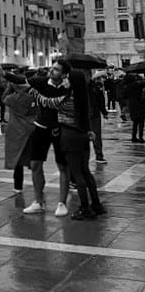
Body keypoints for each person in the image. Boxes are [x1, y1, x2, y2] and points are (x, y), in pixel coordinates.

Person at [37, 60, 105, 220]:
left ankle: (85, 208)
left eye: (67, 78)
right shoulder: (83, 97)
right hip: (83, 136)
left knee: (77, 174)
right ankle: (96, 204)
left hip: (69, 136)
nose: (65, 80)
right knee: (86, 171)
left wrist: (33, 92)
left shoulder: (67, 98)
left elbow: (47, 102)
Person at [24, 65, 71, 217]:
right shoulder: (41, 81)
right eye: (52, 68)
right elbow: (22, 81)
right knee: (35, 164)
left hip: (59, 127)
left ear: (64, 74)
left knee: (63, 165)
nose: (52, 70)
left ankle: (62, 203)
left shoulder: (68, 88)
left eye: (56, 69)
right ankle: (38, 201)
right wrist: (4, 74)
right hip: (41, 126)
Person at [2, 73, 36, 193]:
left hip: (16, 130)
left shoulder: (12, 98)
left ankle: (18, 186)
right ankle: (37, 183)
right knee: (34, 159)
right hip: (31, 128)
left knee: (17, 159)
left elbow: (3, 99)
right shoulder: (33, 96)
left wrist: (9, 88)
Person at [88, 75, 108, 163]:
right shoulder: (77, 85)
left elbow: (100, 100)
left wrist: (104, 112)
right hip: (82, 114)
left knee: (96, 135)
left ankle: (99, 154)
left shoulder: (95, 86)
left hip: (94, 113)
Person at [122, 73, 145, 143]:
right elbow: (143, 83)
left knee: (135, 122)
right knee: (141, 122)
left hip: (132, 105)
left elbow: (124, 95)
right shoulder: (137, 85)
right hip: (139, 105)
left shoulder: (127, 87)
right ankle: (140, 137)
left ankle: (134, 137)